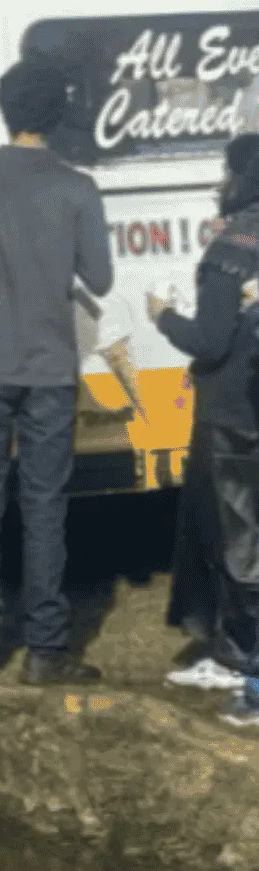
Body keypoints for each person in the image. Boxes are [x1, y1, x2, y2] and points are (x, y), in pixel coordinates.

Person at [0, 59, 112, 685]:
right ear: (57, 118)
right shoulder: (77, 187)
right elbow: (100, 278)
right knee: (45, 507)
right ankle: (45, 648)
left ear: (3, 109)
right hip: (49, 367)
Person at [147, 136, 259, 707]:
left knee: (231, 539)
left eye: (227, 172)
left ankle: (235, 658)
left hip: (231, 412)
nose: (220, 182)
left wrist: (164, 318)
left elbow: (211, 341)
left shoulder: (231, 245)